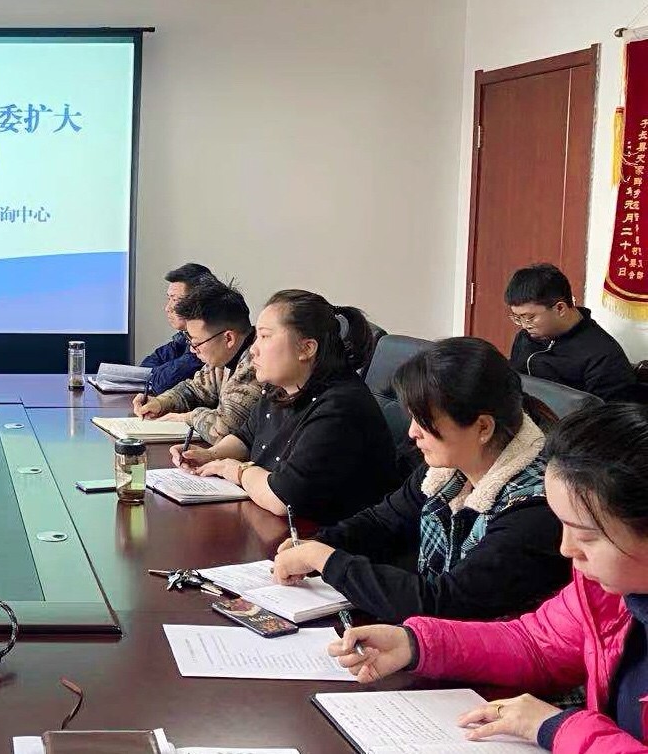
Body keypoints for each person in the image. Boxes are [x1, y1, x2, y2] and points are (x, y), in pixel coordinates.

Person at [330, 403, 648, 752]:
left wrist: (558, 727)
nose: (566, 549)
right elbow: (536, 645)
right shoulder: (606, 591)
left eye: (586, 536)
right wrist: (417, 643)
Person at [271, 337, 568, 622]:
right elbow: (382, 522)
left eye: (424, 422)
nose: (412, 432)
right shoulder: (448, 469)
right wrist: (316, 544)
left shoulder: (536, 507)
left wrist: (326, 560)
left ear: (483, 427)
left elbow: (445, 604)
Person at [174, 289, 401, 524]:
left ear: (306, 348)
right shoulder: (282, 388)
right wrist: (210, 456)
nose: (253, 349)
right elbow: (245, 437)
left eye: (265, 336)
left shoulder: (341, 406)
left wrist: (237, 471)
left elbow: (283, 498)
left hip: (326, 537)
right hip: (277, 525)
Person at [133, 281, 261, 445]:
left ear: (228, 338)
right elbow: (194, 389)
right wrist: (160, 403)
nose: (193, 350)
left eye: (197, 343)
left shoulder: (257, 362)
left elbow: (224, 431)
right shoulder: (225, 356)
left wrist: (188, 417)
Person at [506, 263, 638, 403]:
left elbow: (609, 413)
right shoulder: (525, 337)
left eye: (529, 317)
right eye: (518, 318)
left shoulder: (603, 355)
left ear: (560, 308)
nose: (524, 325)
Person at [140, 263, 217, 394]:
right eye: (168, 299)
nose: (167, 308)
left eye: (175, 300)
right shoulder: (183, 337)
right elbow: (145, 369)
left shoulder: (207, 343)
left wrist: (161, 371)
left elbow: (161, 384)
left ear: (197, 302)